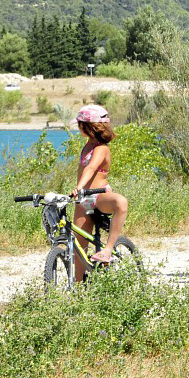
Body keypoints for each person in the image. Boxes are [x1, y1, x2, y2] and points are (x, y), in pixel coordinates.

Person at [70, 104, 129, 279]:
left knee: (120, 202)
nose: (78, 128)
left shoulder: (102, 148)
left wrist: (79, 186)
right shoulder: (87, 145)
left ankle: (108, 249)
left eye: (80, 124)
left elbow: (91, 168)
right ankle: (78, 288)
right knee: (79, 248)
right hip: (83, 199)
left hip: (98, 195)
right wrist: (80, 191)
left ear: (88, 126)